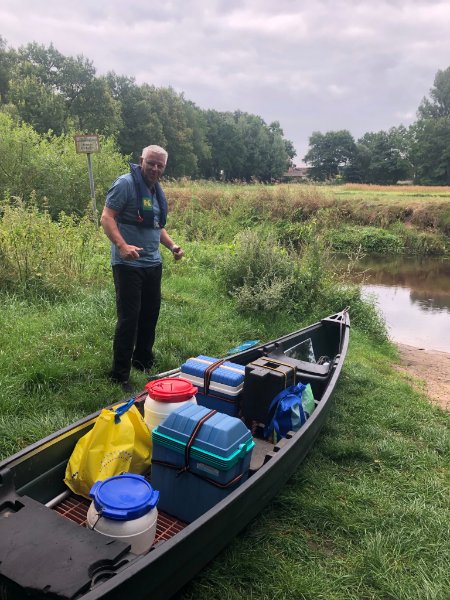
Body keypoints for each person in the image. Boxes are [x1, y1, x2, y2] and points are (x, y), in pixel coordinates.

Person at [101, 145, 183, 392]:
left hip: (152, 263)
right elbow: (106, 217)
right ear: (141, 161)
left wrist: (172, 246)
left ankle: (142, 360)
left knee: (150, 313)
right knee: (130, 318)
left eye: (160, 165)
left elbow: (156, 225)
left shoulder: (155, 190)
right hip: (128, 264)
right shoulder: (125, 184)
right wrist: (122, 246)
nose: (155, 168)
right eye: (151, 163)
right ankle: (119, 375)